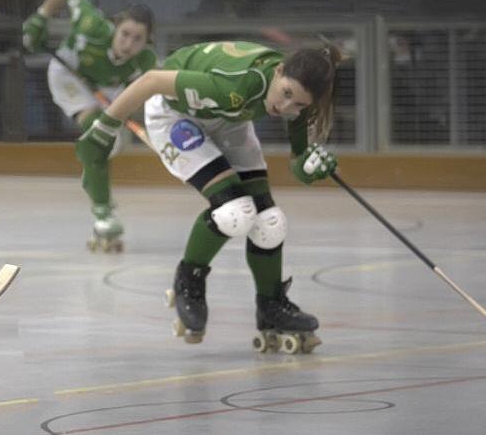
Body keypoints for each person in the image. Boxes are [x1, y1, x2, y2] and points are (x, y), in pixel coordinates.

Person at [75, 40, 341, 353]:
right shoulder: (237, 84)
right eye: (285, 94)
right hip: (175, 115)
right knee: (235, 212)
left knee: (270, 223)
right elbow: (151, 80)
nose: (285, 108)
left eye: (298, 104)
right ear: (279, 71)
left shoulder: (295, 97)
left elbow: (297, 165)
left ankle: (271, 305)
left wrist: (311, 167)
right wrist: (105, 128)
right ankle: (188, 281)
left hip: (227, 118)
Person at [21, 0, 157, 252]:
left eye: (137, 39)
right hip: (69, 76)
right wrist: (40, 19)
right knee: (97, 135)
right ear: (115, 26)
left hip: (106, 90)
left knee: (107, 144)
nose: (128, 44)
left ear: (147, 41)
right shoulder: (91, 25)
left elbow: (135, 96)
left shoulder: (145, 61)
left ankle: (93, 175)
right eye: (125, 34)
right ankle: (103, 213)